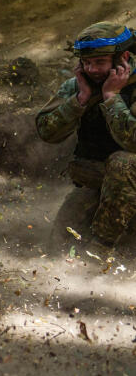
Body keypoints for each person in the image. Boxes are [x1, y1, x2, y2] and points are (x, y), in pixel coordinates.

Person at [36, 21, 136, 248]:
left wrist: (111, 97)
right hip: (103, 182)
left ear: (123, 58)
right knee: (59, 242)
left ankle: (101, 247)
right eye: (86, 63)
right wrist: (79, 101)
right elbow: (46, 132)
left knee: (123, 163)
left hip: (126, 174)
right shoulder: (80, 85)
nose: (92, 70)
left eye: (100, 62)